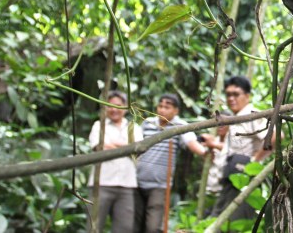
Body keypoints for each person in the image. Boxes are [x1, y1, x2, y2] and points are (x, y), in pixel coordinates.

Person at [202, 76, 274, 222]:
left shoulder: (252, 115)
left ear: (247, 96)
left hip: (243, 175)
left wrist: (254, 161)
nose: (231, 98)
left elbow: (274, 137)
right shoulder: (236, 118)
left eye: (236, 94)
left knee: (233, 220)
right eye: (228, 94)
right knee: (221, 219)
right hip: (231, 176)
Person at [136, 93, 207, 233]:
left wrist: (205, 153)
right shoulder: (147, 122)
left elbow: (191, 143)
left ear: (176, 111)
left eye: (167, 107)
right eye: (160, 106)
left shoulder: (179, 125)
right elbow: (135, 144)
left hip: (159, 185)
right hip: (137, 181)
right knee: (135, 224)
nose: (162, 110)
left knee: (153, 227)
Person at [87, 90, 142, 233]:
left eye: (118, 105)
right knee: (94, 227)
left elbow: (137, 150)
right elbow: (99, 148)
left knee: (124, 228)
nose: (113, 109)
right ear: (105, 107)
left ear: (125, 107)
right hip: (101, 183)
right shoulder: (98, 125)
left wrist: (112, 145)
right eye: (109, 106)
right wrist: (126, 147)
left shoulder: (134, 127)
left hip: (126, 185)